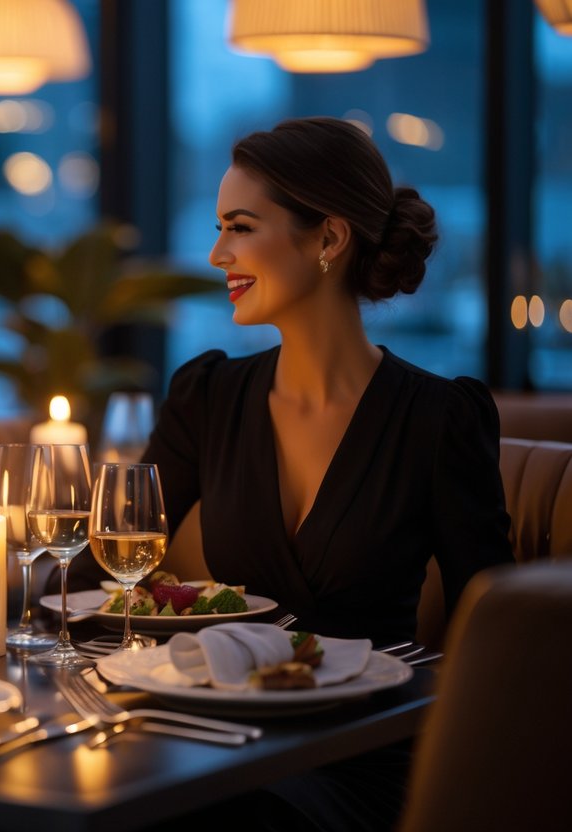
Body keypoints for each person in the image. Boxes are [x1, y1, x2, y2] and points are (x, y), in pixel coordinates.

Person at [140, 116, 513, 830]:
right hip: (222, 742)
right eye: (220, 229)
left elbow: (494, 632)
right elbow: (108, 561)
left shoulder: (438, 419)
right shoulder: (207, 397)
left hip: (364, 757)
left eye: (240, 227)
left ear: (329, 240)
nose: (217, 254)